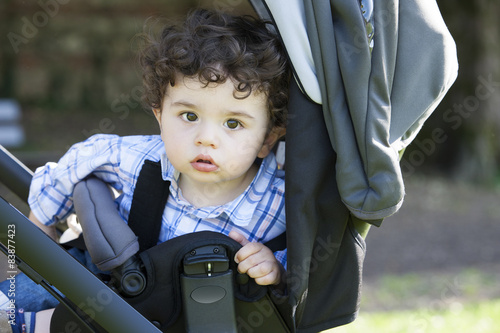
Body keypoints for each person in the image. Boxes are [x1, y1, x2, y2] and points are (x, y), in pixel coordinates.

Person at [0, 8, 290, 332]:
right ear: (160, 115)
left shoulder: (279, 202)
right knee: (16, 298)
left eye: (233, 123)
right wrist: (43, 221)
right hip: (110, 287)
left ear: (267, 139)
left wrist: (275, 269)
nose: (206, 138)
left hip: (199, 316)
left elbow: (304, 274)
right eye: (189, 116)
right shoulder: (140, 160)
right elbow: (84, 156)